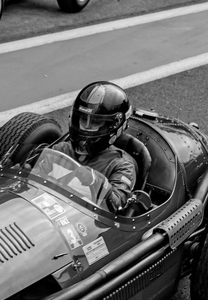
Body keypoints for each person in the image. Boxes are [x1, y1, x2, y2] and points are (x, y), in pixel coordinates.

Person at [45, 81, 140, 214]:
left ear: (113, 126)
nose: (87, 126)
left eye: (95, 122)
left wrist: (96, 181)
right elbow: (32, 182)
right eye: (84, 119)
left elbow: (117, 205)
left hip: (87, 221)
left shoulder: (122, 165)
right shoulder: (60, 150)